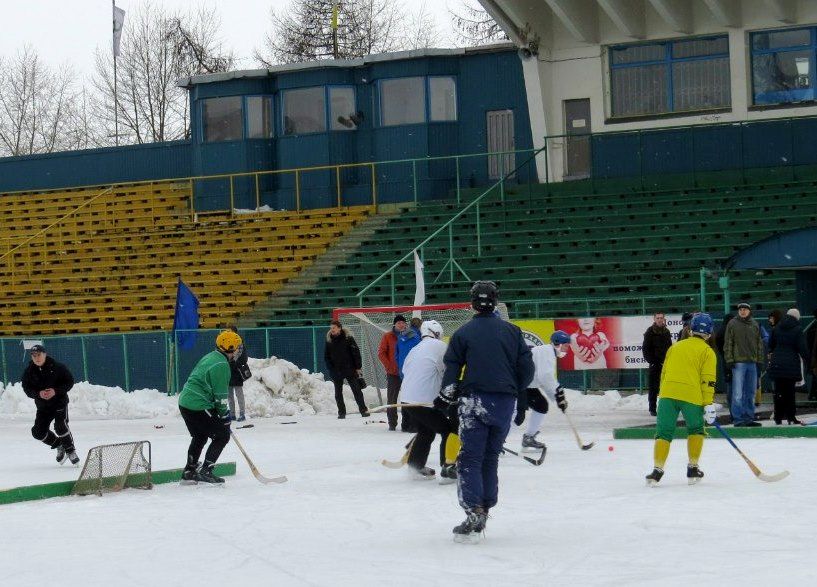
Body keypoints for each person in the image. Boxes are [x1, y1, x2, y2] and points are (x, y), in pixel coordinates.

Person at [434, 280, 534, 543]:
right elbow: (527, 369)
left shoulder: (463, 333)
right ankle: (486, 506)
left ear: (472, 303)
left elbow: (452, 369)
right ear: (495, 301)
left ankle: (474, 512)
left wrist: (447, 395)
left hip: (474, 400)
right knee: (491, 456)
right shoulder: (513, 332)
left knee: (470, 458)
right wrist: (515, 390)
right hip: (504, 403)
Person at [645, 313, 717, 486]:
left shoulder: (675, 347)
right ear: (709, 333)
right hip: (691, 396)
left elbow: (663, 374)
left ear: (691, 330)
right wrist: (708, 404)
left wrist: (663, 394)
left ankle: (657, 470)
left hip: (667, 395)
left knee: (663, 432)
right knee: (696, 429)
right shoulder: (708, 352)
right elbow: (707, 381)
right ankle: (693, 468)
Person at [178, 330, 241, 484]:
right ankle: (206, 471)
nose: (238, 350)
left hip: (186, 402)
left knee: (199, 436)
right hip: (198, 405)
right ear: (229, 347)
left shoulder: (211, 356)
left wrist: (220, 415)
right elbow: (220, 395)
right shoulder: (221, 365)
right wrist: (224, 416)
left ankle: (189, 471)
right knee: (222, 435)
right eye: (237, 347)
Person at [400, 320, 456, 483]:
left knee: (426, 431)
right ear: (437, 333)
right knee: (448, 430)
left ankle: (415, 466)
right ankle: (448, 467)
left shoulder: (415, 348)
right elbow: (447, 371)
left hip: (407, 401)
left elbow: (404, 371)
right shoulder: (439, 347)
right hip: (423, 401)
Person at [21, 344, 79, 465]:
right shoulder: (29, 371)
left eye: (39, 355)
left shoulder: (57, 367)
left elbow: (69, 381)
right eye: (34, 355)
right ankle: (59, 445)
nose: (37, 358)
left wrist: (55, 391)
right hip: (43, 407)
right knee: (38, 432)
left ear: (45, 354)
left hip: (59, 403)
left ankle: (71, 450)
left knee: (60, 426)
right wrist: (38, 394)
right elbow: (27, 388)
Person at [514, 330, 571, 452]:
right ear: (558, 344)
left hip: (527, 384)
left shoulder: (549, 353)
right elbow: (545, 376)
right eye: (566, 345)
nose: (568, 349)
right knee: (517, 415)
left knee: (541, 406)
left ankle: (528, 438)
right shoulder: (547, 351)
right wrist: (558, 392)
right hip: (517, 382)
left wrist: (558, 399)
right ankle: (496, 442)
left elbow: (544, 381)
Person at [724, 302, 765, 427]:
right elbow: (728, 343)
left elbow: (759, 344)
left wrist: (760, 360)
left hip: (752, 363)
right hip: (738, 363)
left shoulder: (754, 324)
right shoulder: (732, 323)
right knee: (737, 393)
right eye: (740, 309)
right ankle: (738, 419)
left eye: (745, 309)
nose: (742, 311)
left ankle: (748, 417)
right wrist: (729, 359)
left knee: (751, 392)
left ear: (749, 311)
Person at [769, 309, 809, 425]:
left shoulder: (776, 328)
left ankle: (778, 417)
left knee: (779, 392)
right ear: (797, 318)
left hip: (777, 363)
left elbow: (771, 344)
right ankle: (791, 417)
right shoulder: (797, 329)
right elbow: (802, 348)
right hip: (791, 364)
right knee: (790, 392)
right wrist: (808, 359)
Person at [324, 320, 370, 418]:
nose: (332, 330)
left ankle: (363, 410)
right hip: (336, 371)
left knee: (356, 390)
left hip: (350, 369)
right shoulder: (329, 341)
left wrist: (358, 367)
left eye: (334, 328)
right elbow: (326, 356)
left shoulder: (348, 338)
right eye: (331, 328)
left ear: (339, 328)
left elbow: (356, 353)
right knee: (338, 393)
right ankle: (341, 413)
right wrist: (330, 369)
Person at [642, 313, 673, 417]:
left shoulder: (666, 332)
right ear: (654, 319)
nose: (660, 320)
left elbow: (670, 348)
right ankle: (652, 408)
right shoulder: (650, 332)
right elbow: (646, 349)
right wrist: (652, 361)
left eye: (661, 318)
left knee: (666, 387)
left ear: (664, 319)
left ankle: (664, 408)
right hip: (655, 364)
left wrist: (668, 361)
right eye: (658, 318)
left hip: (665, 364)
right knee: (653, 388)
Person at [378, 315, 406, 431]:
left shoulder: (409, 336)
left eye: (403, 322)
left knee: (407, 398)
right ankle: (392, 422)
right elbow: (381, 353)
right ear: (394, 324)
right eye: (398, 322)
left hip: (407, 373)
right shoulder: (388, 336)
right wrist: (389, 366)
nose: (401, 324)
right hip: (393, 373)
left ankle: (407, 422)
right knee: (392, 399)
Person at [396, 317, 422, 432]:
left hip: (403, 371)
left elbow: (396, 355)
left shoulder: (400, 337)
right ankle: (414, 425)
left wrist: (401, 368)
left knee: (405, 396)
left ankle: (405, 424)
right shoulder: (417, 338)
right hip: (415, 371)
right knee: (415, 397)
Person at [226, 325, 251, 422]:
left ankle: (242, 413)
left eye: (230, 331)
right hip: (229, 371)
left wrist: (233, 362)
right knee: (229, 394)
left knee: (239, 393)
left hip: (237, 371)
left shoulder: (239, 342)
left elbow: (241, 357)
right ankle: (232, 414)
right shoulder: (227, 343)